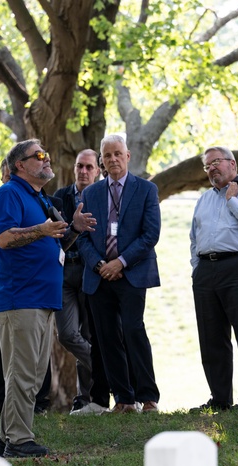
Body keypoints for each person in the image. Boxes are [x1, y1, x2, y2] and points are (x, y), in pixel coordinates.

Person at [0, 140, 72, 458]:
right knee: (23, 372)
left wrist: (71, 228)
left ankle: (5, 438)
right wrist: (41, 228)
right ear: (19, 166)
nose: (46, 158)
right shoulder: (8, 194)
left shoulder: (39, 198)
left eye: (46, 153)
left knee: (32, 374)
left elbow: (54, 241)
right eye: (39, 155)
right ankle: (19, 441)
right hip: (19, 297)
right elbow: (4, 238)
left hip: (42, 297)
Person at [76, 134, 162, 413]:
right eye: (107, 155)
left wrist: (121, 263)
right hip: (99, 276)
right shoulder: (91, 194)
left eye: (117, 154)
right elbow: (82, 238)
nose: (112, 159)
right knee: (106, 337)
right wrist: (100, 265)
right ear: (101, 161)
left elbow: (150, 234)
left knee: (134, 330)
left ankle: (148, 398)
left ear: (127, 156)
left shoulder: (146, 189)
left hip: (132, 273)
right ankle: (123, 399)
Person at [190, 146, 238, 410]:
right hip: (206, 271)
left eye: (216, 162)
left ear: (232, 165)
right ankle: (220, 399)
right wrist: (195, 267)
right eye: (207, 165)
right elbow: (194, 237)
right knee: (211, 338)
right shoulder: (203, 199)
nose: (212, 168)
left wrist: (233, 200)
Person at [53, 148, 111, 414]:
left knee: (90, 333)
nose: (84, 171)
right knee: (67, 334)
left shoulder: (104, 197)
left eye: (89, 167)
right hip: (64, 273)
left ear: (98, 170)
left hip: (91, 271)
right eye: (80, 167)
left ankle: (86, 398)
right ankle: (109, 370)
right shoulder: (60, 197)